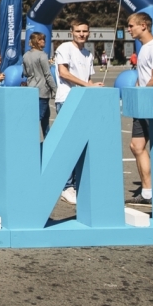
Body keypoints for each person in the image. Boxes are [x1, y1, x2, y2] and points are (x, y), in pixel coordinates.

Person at [54, 18, 102, 205]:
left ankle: (76, 184)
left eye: (85, 31)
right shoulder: (64, 48)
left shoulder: (88, 54)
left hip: (83, 100)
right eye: (78, 31)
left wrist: (93, 87)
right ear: (71, 32)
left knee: (82, 145)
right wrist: (88, 86)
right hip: (67, 99)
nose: (82, 34)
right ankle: (67, 187)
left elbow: (87, 79)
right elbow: (63, 73)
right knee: (69, 145)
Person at [127, 12, 153, 206]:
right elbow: (143, 78)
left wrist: (141, 94)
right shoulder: (143, 49)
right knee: (136, 146)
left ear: (143, 25)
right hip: (143, 104)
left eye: (131, 26)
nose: (128, 29)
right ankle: (147, 193)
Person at [23, 32, 57, 139]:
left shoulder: (26, 55)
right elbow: (48, 75)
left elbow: (25, 73)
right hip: (42, 90)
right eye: (41, 40)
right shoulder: (42, 55)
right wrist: (55, 89)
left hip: (30, 88)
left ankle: (48, 139)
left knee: (45, 117)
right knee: (39, 117)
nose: (44, 42)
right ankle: (28, 140)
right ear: (36, 41)